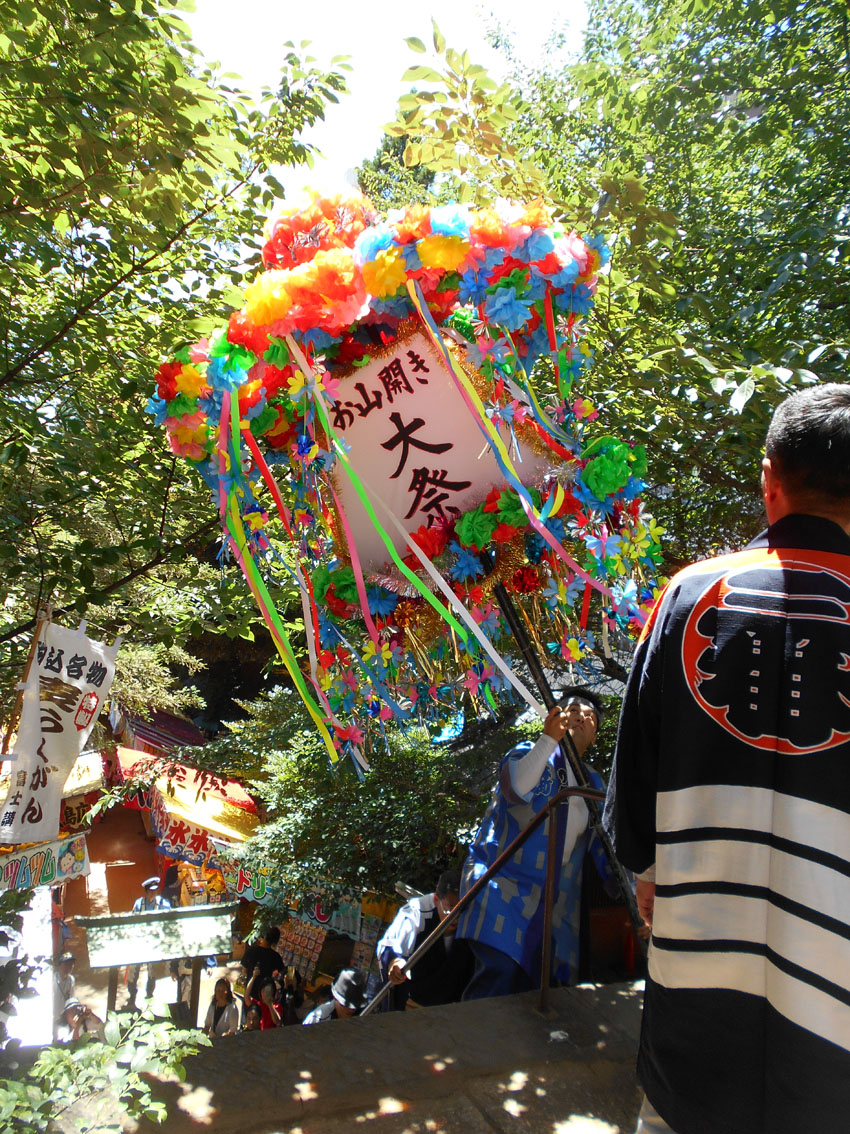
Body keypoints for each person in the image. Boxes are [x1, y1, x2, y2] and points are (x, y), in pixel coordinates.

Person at [603, 383, 850, 1134]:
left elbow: (634, 783)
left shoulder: (689, 595)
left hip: (698, 978)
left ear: (770, 479)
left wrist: (648, 873)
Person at [456, 687, 612, 999]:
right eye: (573, 710)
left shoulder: (594, 783)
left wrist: (639, 896)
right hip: (501, 884)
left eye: (590, 716)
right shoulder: (529, 751)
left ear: (595, 736)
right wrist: (548, 740)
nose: (581, 717)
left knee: (530, 992)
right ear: (556, 717)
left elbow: (607, 846)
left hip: (550, 901)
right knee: (500, 976)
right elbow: (516, 786)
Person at [377, 870, 473, 1010]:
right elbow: (390, 943)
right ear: (436, 899)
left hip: (452, 1004)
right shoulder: (417, 910)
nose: (455, 917)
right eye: (449, 909)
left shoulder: (472, 916)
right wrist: (395, 962)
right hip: (412, 1001)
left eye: (460, 910)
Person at [126, 876, 171, 1008]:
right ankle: (132, 997)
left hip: (154, 944)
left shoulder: (163, 904)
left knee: (152, 972)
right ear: (146, 892)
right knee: (133, 972)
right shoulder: (139, 904)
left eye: (155, 890)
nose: (153, 893)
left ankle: (149, 996)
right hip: (139, 943)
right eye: (150, 891)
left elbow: (169, 920)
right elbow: (132, 921)